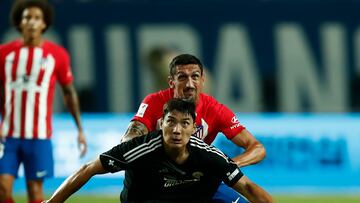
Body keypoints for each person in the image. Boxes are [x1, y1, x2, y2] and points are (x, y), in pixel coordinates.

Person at [44, 99, 273, 203]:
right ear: (161, 123)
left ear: (194, 128)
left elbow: (249, 188)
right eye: (170, 122)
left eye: (184, 124)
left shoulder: (208, 155)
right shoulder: (140, 148)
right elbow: (89, 168)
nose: (176, 130)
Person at [121, 53, 266, 203]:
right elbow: (129, 139)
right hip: (154, 184)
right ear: (171, 82)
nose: (189, 84)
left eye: (195, 77)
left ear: (202, 80)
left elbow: (257, 148)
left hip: (196, 181)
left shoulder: (215, 110)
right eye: (182, 77)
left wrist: (227, 166)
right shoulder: (154, 102)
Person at [0, 1, 87, 203]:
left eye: (36, 18)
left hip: (39, 136)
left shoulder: (57, 55)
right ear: (19, 23)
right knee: (3, 189)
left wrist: (80, 129)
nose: (31, 22)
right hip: (7, 137)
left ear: (44, 24)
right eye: (27, 17)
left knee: (35, 193)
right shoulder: (4, 54)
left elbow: (69, 92)